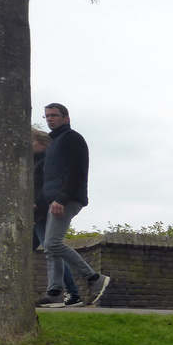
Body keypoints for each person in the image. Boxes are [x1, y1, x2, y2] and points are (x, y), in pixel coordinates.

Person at [37, 103, 112, 307]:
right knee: (50, 248)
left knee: (53, 242)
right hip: (54, 200)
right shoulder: (53, 142)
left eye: (54, 115)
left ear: (66, 118)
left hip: (66, 199)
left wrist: (62, 199)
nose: (50, 119)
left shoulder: (72, 138)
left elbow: (77, 171)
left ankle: (94, 278)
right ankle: (54, 292)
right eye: (47, 116)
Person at [32, 128, 83, 307]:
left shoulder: (46, 161)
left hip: (42, 212)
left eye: (31, 142)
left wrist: (36, 208)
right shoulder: (33, 161)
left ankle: (72, 291)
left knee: (52, 248)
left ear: (42, 144)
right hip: (35, 213)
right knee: (47, 249)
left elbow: (46, 189)